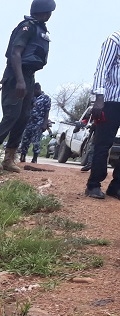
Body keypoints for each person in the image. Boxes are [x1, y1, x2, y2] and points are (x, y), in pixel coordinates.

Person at [0, 0, 55, 173]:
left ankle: (9, 158)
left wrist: (26, 80)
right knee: (12, 114)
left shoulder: (40, 28)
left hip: (28, 76)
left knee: (23, 117)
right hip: (16, 75)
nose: (51, 14)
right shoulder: (27, 27)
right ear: (43, 11)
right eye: (49, 11)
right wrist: (19, 80)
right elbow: (15, 53)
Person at [85, 30, 120, 200]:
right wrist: (99, 99)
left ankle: (116, 186)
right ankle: (93, 184)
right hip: (111, 101)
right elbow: (102, 69)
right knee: (103, 144)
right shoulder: (115, 39)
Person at [19, 82, 52, 162]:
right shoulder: (31, 97)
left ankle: (35, 158)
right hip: (28, 122)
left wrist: (44, 124)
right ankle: (23, 156)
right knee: (25, 140)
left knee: (36, 141)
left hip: (39, 123)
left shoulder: (46, 98)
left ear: (38, 89)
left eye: (34, 91)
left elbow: (47, 112)